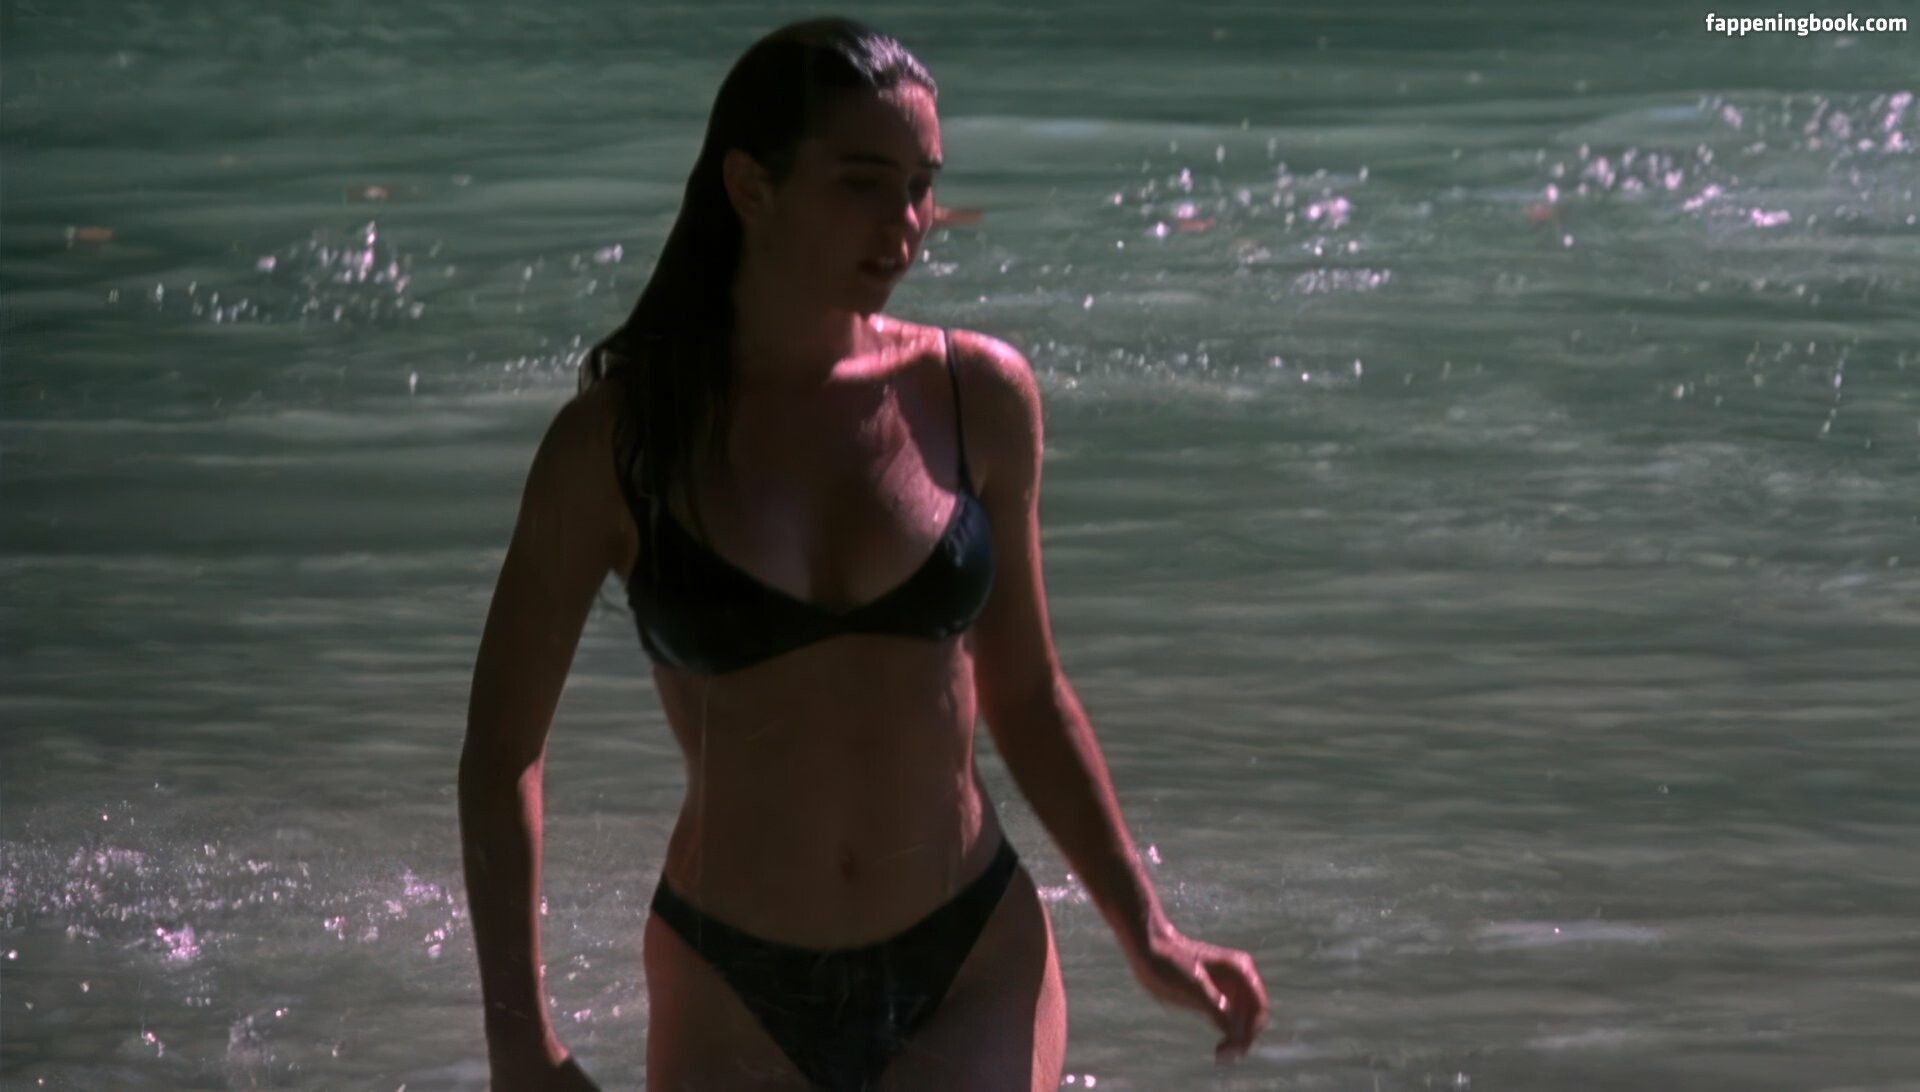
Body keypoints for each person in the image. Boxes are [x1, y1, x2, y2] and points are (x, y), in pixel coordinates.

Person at [458, 17, 1268, 1090]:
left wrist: (1147, 930)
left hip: (965, 953)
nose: (907, 221)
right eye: (863, 182)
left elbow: (1027, 694)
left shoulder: (975, 398)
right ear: (751, 186)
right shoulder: (619, 444)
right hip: (730, 972)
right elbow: (501, 753)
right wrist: (519, 1038)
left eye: (923, 185)